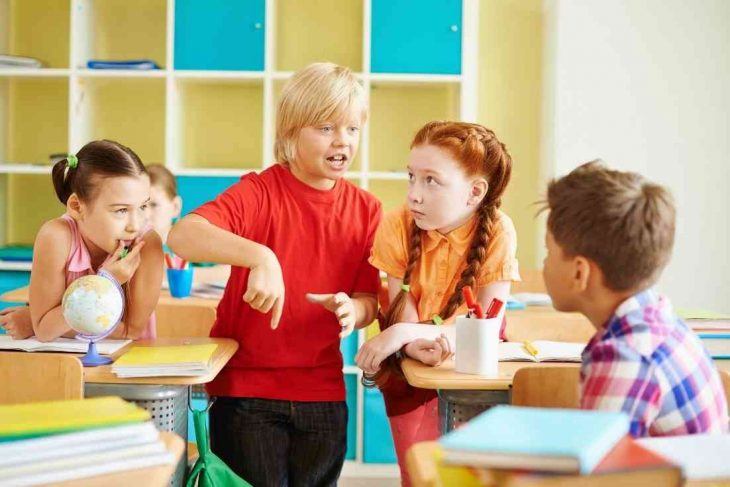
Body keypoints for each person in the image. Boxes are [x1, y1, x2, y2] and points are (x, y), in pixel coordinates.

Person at [167, 62, 381, 486]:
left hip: (323, 396)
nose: (342, 140)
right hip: (247, 395)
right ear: (290, 132)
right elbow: (182, 235)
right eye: (325, 127)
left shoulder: (367, 210)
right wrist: (260, 256)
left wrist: (351, 310)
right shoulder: (259, 192)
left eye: (352, 128)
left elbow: (370, 301)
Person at [357, 121, 519, 485]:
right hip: (411, 375)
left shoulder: (498, 230)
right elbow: (403, 308)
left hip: (475, 377)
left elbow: (487, 328)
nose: (414, 194)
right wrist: (411, 342)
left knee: (474, 478)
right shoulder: (397, 225)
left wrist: (401, 333)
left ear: (474, 192)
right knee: (419, 476)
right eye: (411, 177)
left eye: (431, 180)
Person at [541, 160, 728, 437]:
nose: (544, 264)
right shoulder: (660, 319)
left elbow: (600, 464)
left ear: (579, 272)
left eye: (548, 252)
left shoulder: (625, 357)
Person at [0, 139, 162, 341]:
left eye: (142, 207)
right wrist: (105, 282)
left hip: (129, 357)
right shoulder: (55, 237)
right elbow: (44, 330)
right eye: (121, 210)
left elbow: (130, 332)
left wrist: (36, 321)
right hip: (66, 358)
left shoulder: (147, 244)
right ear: (77, 207)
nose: (135, 225)